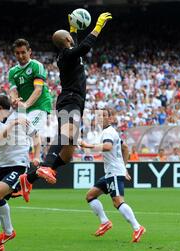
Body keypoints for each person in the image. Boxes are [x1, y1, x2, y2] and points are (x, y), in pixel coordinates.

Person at [19, 12, 113, 201]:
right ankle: (46, 165)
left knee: (68, 154)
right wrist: (98, 27)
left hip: (75, 100)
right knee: (68, 131)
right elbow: (85, 47)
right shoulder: (68, 55)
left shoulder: (68, 52)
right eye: (71, 37)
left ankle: (28, 179)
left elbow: (77, 44)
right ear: (68, 41)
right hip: (70, 99)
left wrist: (73, 29)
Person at [0, 95, 41, 251]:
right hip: (3, 166)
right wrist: (13, 124)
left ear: (0, 108)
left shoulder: (21, 116)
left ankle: (8, 231)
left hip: (19, 164)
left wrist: (36, 156)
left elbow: (36, 136)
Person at [79, 109, 145, 243]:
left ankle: (137, 227)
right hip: (113, 172)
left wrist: (88, 146)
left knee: (117, 202)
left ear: (109, 119)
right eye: (99, 116)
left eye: (104, 115)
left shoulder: (108, 132)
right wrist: (124, 168)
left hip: (114, 172)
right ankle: (105, 222)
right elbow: (125, 147)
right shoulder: (110, 132)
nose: (101, 118)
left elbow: (108, 146)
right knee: (90, 196)